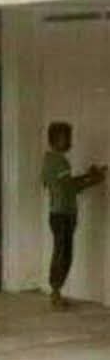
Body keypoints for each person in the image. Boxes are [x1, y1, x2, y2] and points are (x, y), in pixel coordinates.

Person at [41, 122, 107, 309]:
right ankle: (55, 295)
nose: (70, 141)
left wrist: (88, 176)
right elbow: (71, 188)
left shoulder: (48, 160)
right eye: (66, 137)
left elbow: (65, 183)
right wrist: (94, 180)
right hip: (63, 214)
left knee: (60, 252)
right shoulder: (60, 162)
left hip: (57, 213)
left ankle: (56, 293)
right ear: (57, 139)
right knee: (64, 255)